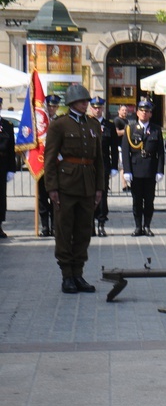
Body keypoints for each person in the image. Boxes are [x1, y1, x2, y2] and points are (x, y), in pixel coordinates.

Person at [43, 84, 105, 294]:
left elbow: (99, 160)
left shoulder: (93, 125)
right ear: (71, 103)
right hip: (66, 185)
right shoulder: (59, 125)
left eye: (86, 100)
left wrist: (99, 188)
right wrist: (52, 188)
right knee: (64, 230)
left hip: (88, 184)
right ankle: (67, 275)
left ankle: (78, 273)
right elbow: (50, 159)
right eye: (81, 101)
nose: (85, 104)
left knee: (83, 231)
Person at [121, 99, 165, 237]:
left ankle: (147, 226)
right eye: (141, 110)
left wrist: (160, 170)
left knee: (149, 200)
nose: (144, 113)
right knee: (137, 200)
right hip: (136, 170)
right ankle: (138, 226)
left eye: (147, 111)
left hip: (151, 169)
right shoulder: (130, 129)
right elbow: (125, 151)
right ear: (137, 112)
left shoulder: (156, 129)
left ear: (150, 114)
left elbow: (160, 152)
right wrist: (127, 170)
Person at [89, 97, 119, 237]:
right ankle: (90, 226)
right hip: (88, 166)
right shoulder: (86, 123)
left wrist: (114, 166)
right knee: (88, 195)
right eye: (94, 107)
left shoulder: (109, 125)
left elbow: (114, 148)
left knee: (102, 195)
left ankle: (101, 224)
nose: (97, 110)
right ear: (91, 108)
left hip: (103, 166)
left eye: (99, 107)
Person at [38, 95, 61, 236]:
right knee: (42, 197)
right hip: (41, 165)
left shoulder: (60, 122)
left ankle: (55, 226)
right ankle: (45, 226)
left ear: (57, 107)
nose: (51, 108)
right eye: (49, 106)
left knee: (56, 196)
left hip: (57, 165)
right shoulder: (40, 123)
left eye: (54, 106)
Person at [0, 97, 16, 238]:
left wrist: (12, 169)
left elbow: (11, 149)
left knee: (0, 197)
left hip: (2, 165)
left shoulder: (7, 125)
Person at [114, 104, 132, 193]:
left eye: (126, 110)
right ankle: (124, 186)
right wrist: (127, 131)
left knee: (121, 167)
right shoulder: (117, 120)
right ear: (119, 111)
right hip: (119, 146)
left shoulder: (126, 120)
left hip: (124, 146)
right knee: (122, 166)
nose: (125, 112)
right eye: (123, 110)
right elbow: (116, 132)